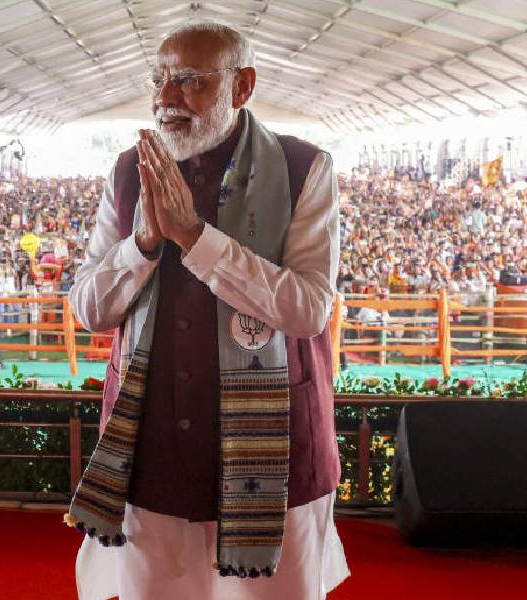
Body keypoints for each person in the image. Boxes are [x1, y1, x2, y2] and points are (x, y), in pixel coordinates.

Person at [68, 22, 347, 600]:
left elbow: (309, 310)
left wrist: (196, 238)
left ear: (241, 86)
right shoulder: (127, 171)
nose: (166, 98)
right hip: (150, 447)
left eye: (190, 81)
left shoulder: (304, 169)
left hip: (273, 450)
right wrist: (144, 243)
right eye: (160, 80)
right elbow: (88, 308)